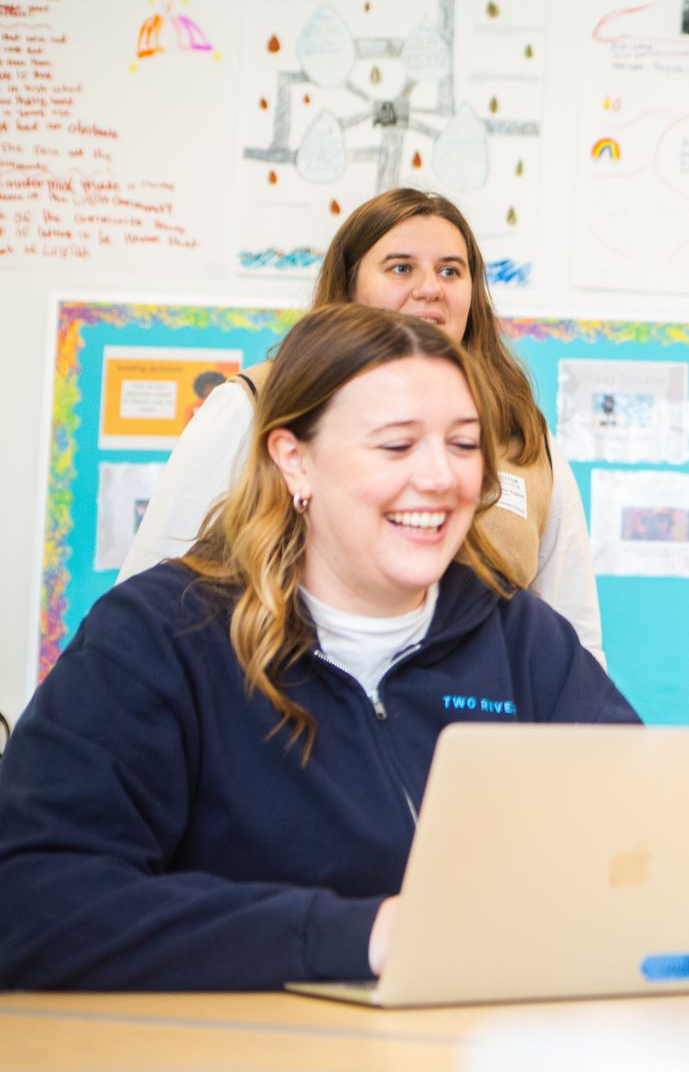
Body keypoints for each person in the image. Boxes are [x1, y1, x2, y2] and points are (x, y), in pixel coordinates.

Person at [0, 305, 639, 991]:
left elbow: (648, 843)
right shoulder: (158, 635)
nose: (441, 478)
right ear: (294, 460)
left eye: (463, 444)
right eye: (396, 445)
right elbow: (30, 902)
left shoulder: (524, 641)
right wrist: (360, 935)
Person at [121, 189, 604, 664]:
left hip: (475, 728)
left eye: (450, 271)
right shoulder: (253, 404)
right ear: (349, 286)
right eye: (401, 267)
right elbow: (155, 595)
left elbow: (573, 634)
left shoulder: (521, 431)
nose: (430, 287)